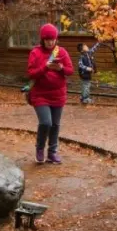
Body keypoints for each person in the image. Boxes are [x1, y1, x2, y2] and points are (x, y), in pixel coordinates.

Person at [26, 24, 74, 164]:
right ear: (42, 39)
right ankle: (40, 148)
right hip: (40, 94)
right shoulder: (35, 53)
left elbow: (70, 70)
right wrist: (45, 68)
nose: (50, 42)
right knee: (46, 122)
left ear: (56, 39)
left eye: (53, 39)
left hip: (58, 94)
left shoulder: (61, 52)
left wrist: (61, 68)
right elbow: (31, 73)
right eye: (47, 40)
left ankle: (52, 152)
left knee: (55, 125)